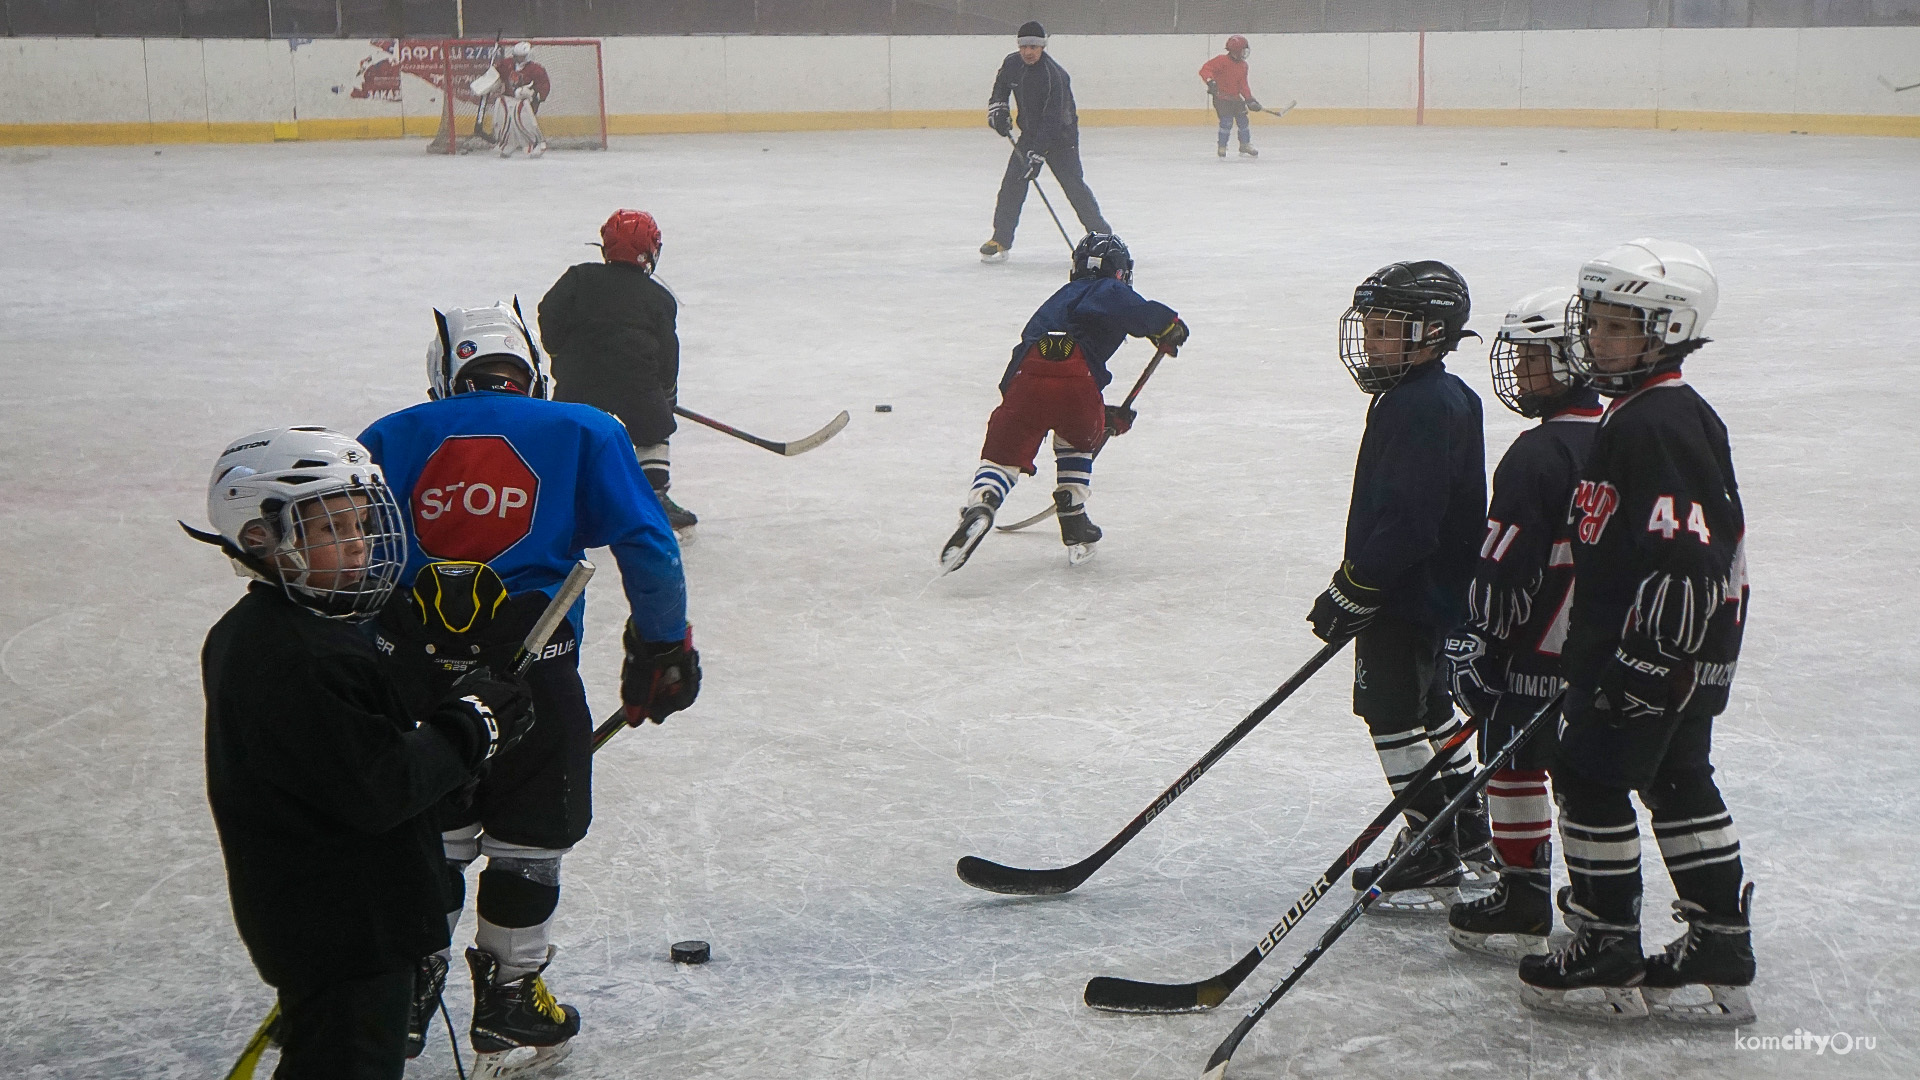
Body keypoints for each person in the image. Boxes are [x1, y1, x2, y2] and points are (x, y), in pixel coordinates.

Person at [357, 302, 701, 1077]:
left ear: (448, 371)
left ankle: (407, 983)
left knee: (430, 832)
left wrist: (352, 664)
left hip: (412, 676)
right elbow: (647, 544)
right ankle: (511, 997)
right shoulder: (587, 430)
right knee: (530, 842)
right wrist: (662, 645)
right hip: (536, 678)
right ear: (530, 371)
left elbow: (360, 558)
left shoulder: (388, 434)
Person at [189, 426, 534, 1079]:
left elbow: (350, 762)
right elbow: (377, 786)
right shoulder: (300, 656)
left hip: (335, 920)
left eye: (359, 523)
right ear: (260, 537)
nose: (358, 544)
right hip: (345, 929)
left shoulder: (283, 633)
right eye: (330, 530)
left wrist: (444, 762)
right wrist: (472, 728)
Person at [1518, 240, 1754, 1025]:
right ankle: (1720, 939)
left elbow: (1687, 559)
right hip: (1690, 655)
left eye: (1621, 326)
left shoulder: (1656, 421)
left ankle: (1604, 937)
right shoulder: (1648, 412)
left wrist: (1643, 663)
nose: (1598, 339)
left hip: (1651, 654)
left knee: (1588, 778)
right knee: (1679, 779)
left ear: (1669, 329)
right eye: (1597, 321)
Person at [1305, 260, 1489, 913]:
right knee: (1431, 710)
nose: (1372, 342)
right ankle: (1466, 832)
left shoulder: (1417, 406)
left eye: (1388, 330)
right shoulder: (1440, 396)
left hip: (1403, 595)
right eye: (1371, 328)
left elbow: (1410, 520)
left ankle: (1431, 844)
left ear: (1432, 334)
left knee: (1389, 713)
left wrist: (1355, 588)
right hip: (1435, 596)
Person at [1442, 288, 1603, 959]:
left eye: (1536, 357)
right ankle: (1596, 901)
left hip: (1532, 653)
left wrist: (1478, 643)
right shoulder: (1617, 437)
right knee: (1583, 779)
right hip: (1594, 650)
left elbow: (1503, 567)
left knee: (1511, 763)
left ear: (1569, 359)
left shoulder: (1537, 454)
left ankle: (1524, 893)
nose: (1522, 372)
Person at [940, 233, 1187, 573]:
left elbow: (1025, 373)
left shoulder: (1057, 299)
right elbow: (1134, 312)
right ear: (1119, 272)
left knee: (1005, 454)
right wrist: (1168, 325)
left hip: (1026, 375)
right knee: (1076, 439)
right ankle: (1073, 517)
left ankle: (983, 504)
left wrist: (1022, 405)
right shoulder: (1106, 289)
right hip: (1077, 376)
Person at [538, 209, 696, 534]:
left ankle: (560, 502)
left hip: (576, 388)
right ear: (651, 249)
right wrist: (666, 397)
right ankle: (654, 498)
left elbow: (548, 314)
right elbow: (668, 358)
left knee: (573, 434)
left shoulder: (578, 277)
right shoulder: (660, 298)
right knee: (653, 432)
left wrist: (560, 353)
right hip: (638, 392)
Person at [980, 21, 1111, 263]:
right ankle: (1001, 239)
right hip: (1030, 133)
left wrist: (1037, 155)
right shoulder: (1012, 64)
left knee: (1074, 188)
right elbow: (1000, 89)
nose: (1028, 52)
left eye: (1033, 47)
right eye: (1023, 46)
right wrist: (998, 109)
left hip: (1062, 138)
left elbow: (1053, 120)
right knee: (1012, 186)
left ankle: (1103, 240)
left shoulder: (1055, 76)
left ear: (1042, 47)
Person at [1199, 34, 1264, 159]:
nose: (1245, 53)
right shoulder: (1221, 61)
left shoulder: (1243, 66)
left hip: (1235, 98)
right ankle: (1222, 146)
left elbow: (1243, 84)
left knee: (1243, 121)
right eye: (1242, 50)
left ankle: (1245, 144)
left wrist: (1249, 99)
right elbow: (1205, 70)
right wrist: (1210, 81)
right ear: (1235, 51)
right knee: (1226, 122)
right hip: (1221, 99)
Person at [491, 41, 550, 157]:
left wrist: (534, 94)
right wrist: (489, 80)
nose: (518, 58)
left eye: (521, 56)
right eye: (516, 56)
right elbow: (495, 73)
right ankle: (507, 143)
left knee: (524, 122)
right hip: (509, 100)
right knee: (504, 117)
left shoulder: (536, 69)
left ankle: (536, 144)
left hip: (526, 103)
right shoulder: (507, 64)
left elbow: (544, 86)